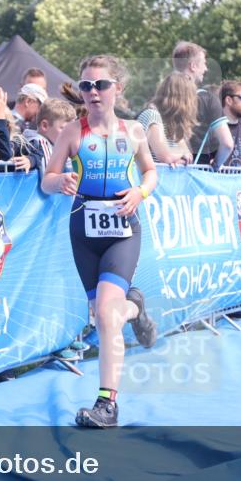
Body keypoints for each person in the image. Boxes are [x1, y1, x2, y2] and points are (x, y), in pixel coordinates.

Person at [41, 55, 159, 428]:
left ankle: (107, 405)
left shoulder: (133, 132)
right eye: (87, 85)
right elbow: (48, 178)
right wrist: (58, 182)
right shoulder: (72, 132)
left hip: (123, 230)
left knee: (106, 315)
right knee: (104, 315)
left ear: (117, 89)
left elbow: (152, 171)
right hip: (84, 232)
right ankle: (135, 307)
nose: (93, 92)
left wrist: (140, 192)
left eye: (101, 85)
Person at [172, 41, 235, 167]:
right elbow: (227, 144)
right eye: (204, 64)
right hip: (196, 174)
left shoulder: (161, 99)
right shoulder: (208, 99)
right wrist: (216, 165)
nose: (205, 69)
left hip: (166, 174)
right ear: (193, 66)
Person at [136, 71, 197, 166]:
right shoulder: (152, 115)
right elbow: (166, 156)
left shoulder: (172, 122)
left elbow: (188, 156)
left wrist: (177, 159)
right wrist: (179, 155)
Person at [13, 98, 76, 173]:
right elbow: (38, 155)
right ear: (45, 126)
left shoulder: (58, 146)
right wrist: (30, 160)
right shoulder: (37, 143)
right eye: (64, 129)